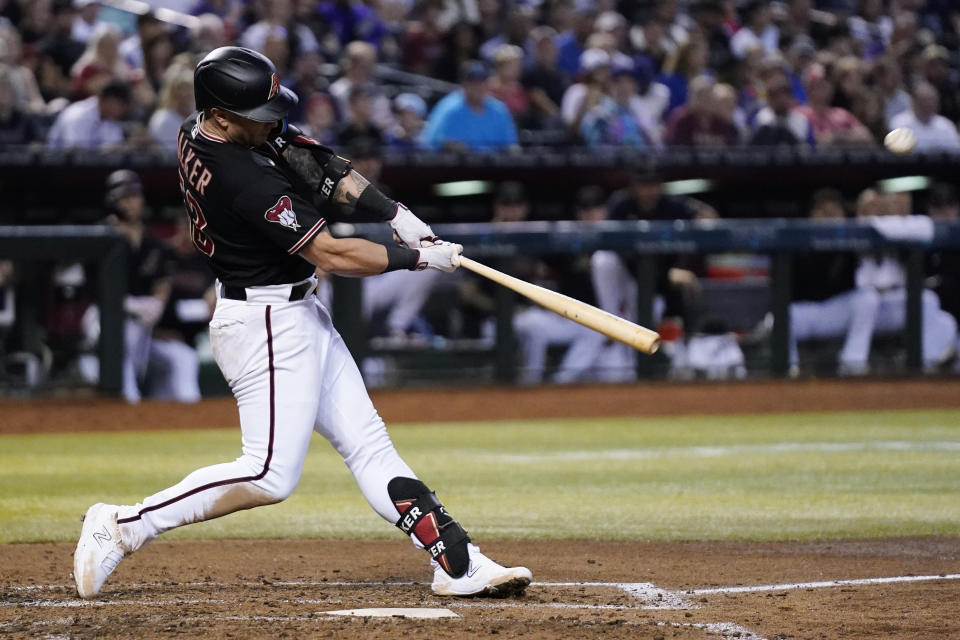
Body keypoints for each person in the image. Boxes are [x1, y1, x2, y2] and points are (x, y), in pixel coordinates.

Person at [73, 46, 531, 601]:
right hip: (263, 322)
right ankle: (123, 524)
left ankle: (459, 563)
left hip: (295, 310)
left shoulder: (204, 127)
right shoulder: (240, 176)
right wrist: (417, 257)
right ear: (221, 116)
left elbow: (318, 161)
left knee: (370, 445)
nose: (272, 124)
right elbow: (334, 255)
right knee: (268, 474)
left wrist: (399, 218)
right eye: (257, 116)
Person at [421, 60, 518, 152]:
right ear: (463, 84)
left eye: (482, 82)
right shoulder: (449, 109)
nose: (478, 87)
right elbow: (435, 145)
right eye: (473, 82)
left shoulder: (499, 110)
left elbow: (511, 146)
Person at [45, 78, 130, 150]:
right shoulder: (78, 115)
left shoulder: (110, 120)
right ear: (110, 101)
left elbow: (114, 149)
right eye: (122, 105)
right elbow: (75, 151)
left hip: (92, 167)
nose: (124, 110)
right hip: (56, 167)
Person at [888, 82, 960, 152]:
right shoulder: (899, 124)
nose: (929, 104)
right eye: (925, 100)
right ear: (915, 101)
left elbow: (956, 152)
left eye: (932, 100)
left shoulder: (946, 125)